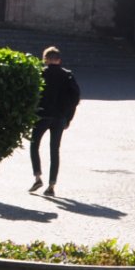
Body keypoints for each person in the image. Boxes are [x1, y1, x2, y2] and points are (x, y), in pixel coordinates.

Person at [28, 46, 81, 198]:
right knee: (54, 150)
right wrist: (68, 117)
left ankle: (38, 177)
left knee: (34, 145)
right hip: (59, 117)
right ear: (59, 60)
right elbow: (75, 98)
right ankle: (52, 185)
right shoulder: (68, 75)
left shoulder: (41, 73)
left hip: (43, 115)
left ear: (45, 59)